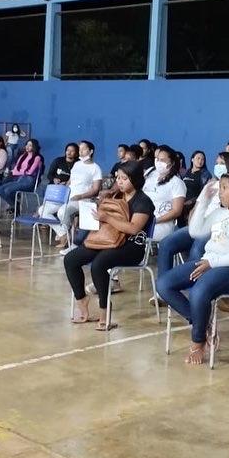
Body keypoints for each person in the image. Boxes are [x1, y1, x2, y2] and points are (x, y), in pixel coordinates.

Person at [157, 171, 229, 365]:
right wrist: (203, 200)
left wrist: (211, 264)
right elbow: (195, 231)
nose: (220, 193)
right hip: (207, 264)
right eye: (219, 188)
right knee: (164, 284)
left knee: (200, 290)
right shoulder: (219, 213)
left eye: (225, 188)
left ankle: (198, 342)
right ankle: (203, 324)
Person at [65, 160, 154, 331]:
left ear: (135, 179)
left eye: (124, 178)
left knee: (99, 264)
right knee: (71, 259)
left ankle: (105, 311)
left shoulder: (143, 201)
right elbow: (101, 221)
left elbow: (134, 229)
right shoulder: (115, 197)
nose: (119, 182)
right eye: (118, 178)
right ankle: (82, 301)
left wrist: (107, 218)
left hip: (132, 246)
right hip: (107, 240)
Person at [157, 151, 229, 276]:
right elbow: (196, 207)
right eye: (216, 163)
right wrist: (192, 224)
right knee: (166, 244)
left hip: (216, 229)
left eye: (222, 163)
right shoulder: (210, 185)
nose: (217, 166)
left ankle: (192, 287)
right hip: (198, 225)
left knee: (197, 248)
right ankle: (163, 285)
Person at [49, 140, 102, 249]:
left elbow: (96, 189)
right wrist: (64, 191)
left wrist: (81, 196)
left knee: (62, 212)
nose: (81, 152)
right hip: (69, 196)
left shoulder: (95, 168)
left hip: (83, 199)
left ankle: (70, 240)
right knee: (49, 210)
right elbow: (70, 181)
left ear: (91, 151)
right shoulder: (77, 164)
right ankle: (67, 237)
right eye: (80, 149)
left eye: (84, 149)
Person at [143, 145, 186, 242]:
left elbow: (176, 211)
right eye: (157, 159)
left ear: (172, 163)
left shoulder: (177, 183)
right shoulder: (150, 178)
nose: (158, 162)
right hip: (141, 221)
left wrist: (154, 221)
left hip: (159, 226)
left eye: (162, 160)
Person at [0, 139, 43, 210]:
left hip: (28, 180)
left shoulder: (37, 158)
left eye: (30, 145)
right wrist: (17, 171)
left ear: (34, 147)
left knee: (8, 190)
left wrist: (17, 172)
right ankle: (15, 205)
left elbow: (30, 172)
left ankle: (14, 207)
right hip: (18, 178)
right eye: (26, 144)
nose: (27, 147)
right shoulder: (22, 156)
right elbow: (16, 168)